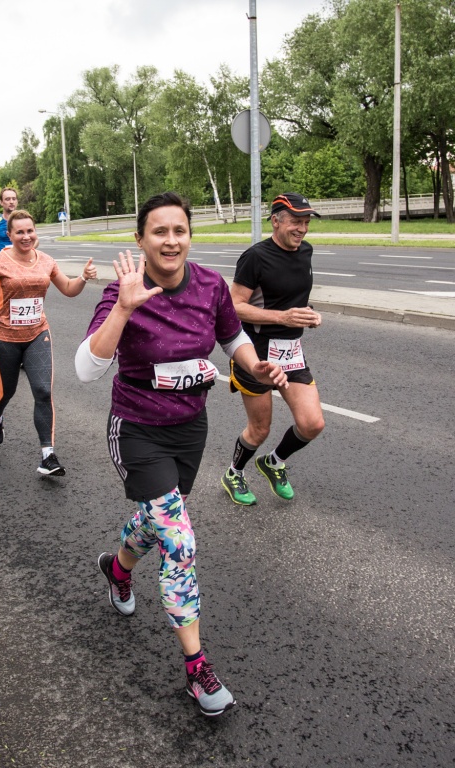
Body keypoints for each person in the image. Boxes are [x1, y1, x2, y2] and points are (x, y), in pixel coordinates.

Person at [75, 192, 288, 718]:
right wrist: (123, 308)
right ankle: (197, 670)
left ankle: (118, 569)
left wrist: (254, 365)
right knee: (179, 538)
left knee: (160, 519)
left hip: (189, 429)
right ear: (140, 239)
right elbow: (86, 369)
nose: (171, 241)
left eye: (180, 231)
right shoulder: (121, 291)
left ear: (189, 236)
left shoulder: (210, 285)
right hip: (137, 430)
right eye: (159, 232)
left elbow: (231, 335)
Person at [0, 208, 97, 476]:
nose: (26, 236)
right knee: (7, 391)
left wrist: (83, 277)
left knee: (43, 391)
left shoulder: (46, 261)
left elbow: (69, 289)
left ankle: (48, 455)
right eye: (19, 232)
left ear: (35, 233)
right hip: (4, 338)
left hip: (37, 334)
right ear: (9, 235)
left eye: (30, 231)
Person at [220, 192, 326, 506]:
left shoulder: (306, 251)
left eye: (306, 222)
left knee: (312, 424)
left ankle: (274, 462)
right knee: (260, 428)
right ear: (276, 221)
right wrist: (282, 317)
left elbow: (290, 300)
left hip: (291, 351)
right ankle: (234, 473)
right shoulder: (255, 257)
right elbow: (233, 307)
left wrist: (309, 314)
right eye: (295, 221)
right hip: (255, 353)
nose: (302, 228)